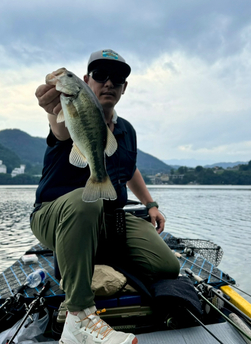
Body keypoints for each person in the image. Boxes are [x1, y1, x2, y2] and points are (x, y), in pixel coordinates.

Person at [31, 49, 180, 344]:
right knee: (84, 201)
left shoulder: (126, 131)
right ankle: (79, 317)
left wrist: (150, 204)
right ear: (86, 81)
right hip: (56, 217)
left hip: (109, 220)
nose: (109, 83)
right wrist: (50, 107)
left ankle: (96, 259)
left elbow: (129, 168)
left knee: (168, 265)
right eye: (100, 75)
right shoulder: (70, 109)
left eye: (118, 78)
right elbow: (59, 129)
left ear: (124, 87)